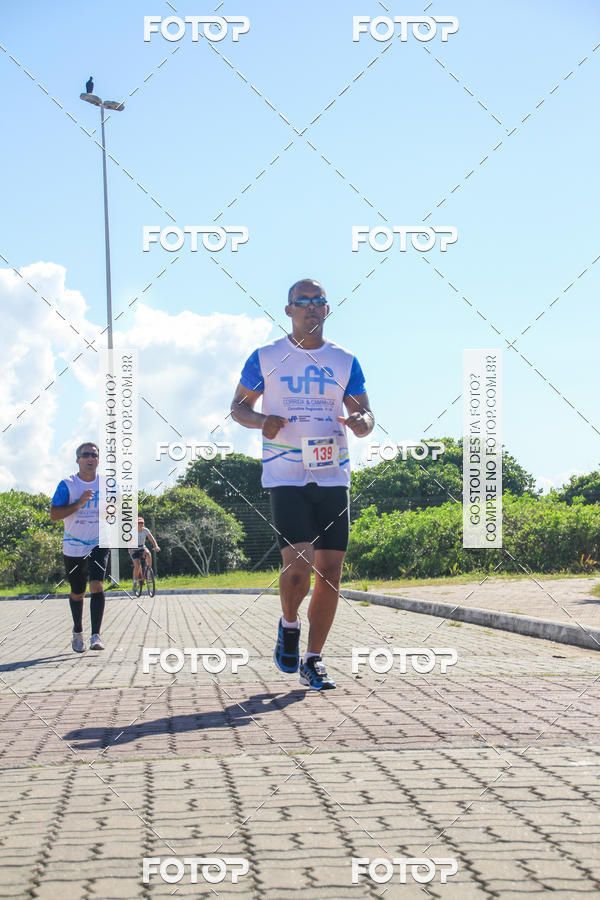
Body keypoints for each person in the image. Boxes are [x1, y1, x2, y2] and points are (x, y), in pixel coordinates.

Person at [230, 278, 374, 690]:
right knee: (298, 570)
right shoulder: (267, 357)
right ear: (288, 309)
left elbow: (365, 413)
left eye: (318, 302)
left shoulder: (345, 360)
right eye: (302, 302)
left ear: (327, 310)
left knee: (330, 572)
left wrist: (362, 423)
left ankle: (314, 659)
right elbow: (238, 407)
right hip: (286, 473)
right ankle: (288, 623)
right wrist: (262, 421)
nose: (311, 308)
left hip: (332, 473)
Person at [50, 441, 109, 652]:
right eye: (86, 455)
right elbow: (54, 515)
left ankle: (96, 636)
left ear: (98, 460)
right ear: (78, 460)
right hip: (73, 544)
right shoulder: (68, 485)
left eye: (94, 455)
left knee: (97, 585)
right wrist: (79, 504)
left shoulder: (107, 484)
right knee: (78, 591)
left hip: (98, 541)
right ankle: (77, 630)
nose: (90, 458)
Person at [130, 517, 160, 588]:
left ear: (143, 524)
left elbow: (152, 539)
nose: (140, 524)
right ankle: (134, 582)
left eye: (141, 523)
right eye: (138, 523)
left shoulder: (145, 530)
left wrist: (156, 546)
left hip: (142, 547)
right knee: (137, 565)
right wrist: (130, 550)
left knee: (148, 554)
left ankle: (149, 572)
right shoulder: (133, 531)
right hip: (134, 548)